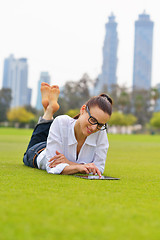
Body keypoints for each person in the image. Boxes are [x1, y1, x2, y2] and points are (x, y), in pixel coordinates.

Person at [23, 82, 113, 177]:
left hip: (57, 145)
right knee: (29, 150)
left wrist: (69, 163)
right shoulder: (61, 121)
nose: (94, 127)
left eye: (100, 124)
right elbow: (52, 167)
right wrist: (80, 167)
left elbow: (99, 169)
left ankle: (48, 109)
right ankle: (49, 112)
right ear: (83, 110)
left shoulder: (101, 132)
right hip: (40, 151)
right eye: (92, 120)